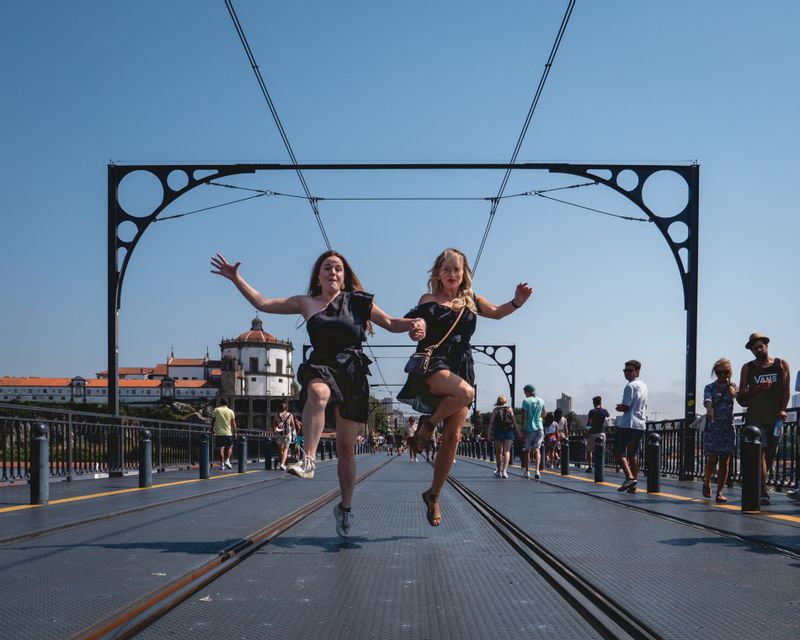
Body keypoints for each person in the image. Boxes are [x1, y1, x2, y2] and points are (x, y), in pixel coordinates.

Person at [211, 251, 425, 537]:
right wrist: (236, 278)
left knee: (346, 452)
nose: (333, 272)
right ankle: (308, 458)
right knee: (318, 393)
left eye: (338, 268)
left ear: (345, 275)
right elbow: (262, 302)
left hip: (353, 372)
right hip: (321, 364)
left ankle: (345, 508)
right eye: (327, 268)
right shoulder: (305, 303)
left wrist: (414, 325)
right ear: (318, 275)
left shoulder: (359, 302)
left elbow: (390, 323)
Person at [398, 247, 532, 525]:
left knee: (454, 438)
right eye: (446, 269)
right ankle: (429, 424)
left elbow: (497, 313)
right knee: (465, 393)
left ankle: (433, 495)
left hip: (463, 366)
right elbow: (417, 324)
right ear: (438, 273)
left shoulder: (470, 299)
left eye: (456, 269)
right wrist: (417, 329)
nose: (451, 274)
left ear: (463, 274)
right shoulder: (429, 299)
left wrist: (517, 301)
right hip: (435, 363)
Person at [736, 332, 790, 506]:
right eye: (754, 348)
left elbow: (786, 390)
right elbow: (741, 396)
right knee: (760, 455)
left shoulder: (781, 364)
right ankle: (763, 491)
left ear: (766, 346)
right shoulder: (748, 368)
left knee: (770, 456)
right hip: (755, 419)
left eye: (760, 346)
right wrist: (758, 388)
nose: (758, 350)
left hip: (775, 419)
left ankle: (760, 486)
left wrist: (783, 410)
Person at [702, 358, 737, 503]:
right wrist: (709, 409)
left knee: (725, 461)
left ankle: (720, 492)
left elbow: (740, 398)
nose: (722, 375)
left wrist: (734, 390)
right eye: (719, 372)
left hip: (728, 427)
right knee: (712, 459)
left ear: (730, 372)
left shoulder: (733, 386)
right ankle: (706, 482)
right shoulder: (709, 387)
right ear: (715, 373)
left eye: (725, 372)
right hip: (714, 427)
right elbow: (707, 400)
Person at [614, 359, 648, 493]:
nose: (626, 373)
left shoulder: (630, 386)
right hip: (640, 424)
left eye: (629, 370)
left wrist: (619, 407)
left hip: (628, 423)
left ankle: (629, 477)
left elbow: (626, 406)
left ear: (637, 371)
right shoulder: (644, 386)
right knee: (632, 454)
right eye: (625, 370)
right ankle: (633, 485)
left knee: (618, 452)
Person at [488, 395, 519, 478]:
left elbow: (491, 423)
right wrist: (519, 432)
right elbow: (514, 421)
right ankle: (504, 471)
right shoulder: (509, 409)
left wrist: (489, 434)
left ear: (498, 401)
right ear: (505, 401)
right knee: (507, 451)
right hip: (509, 431)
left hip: (498, 432)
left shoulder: (495, 410)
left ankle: (498, 470)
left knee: (499, 453)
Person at [520, 384, 544, 480]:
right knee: (537, 449)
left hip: (530, 428)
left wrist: (522, 429)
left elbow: (523, 417)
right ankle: (537, 470)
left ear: (528, 392)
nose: (524, 393)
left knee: (527, 450)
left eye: (525, 392)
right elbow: (544, 412)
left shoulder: (525, 401)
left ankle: (527, 471)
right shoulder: (541, 400)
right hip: (540, 427)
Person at [585, 396, 609, 473]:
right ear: (600, 402)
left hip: (593, 433)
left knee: (589, 450)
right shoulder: (604, 411)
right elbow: (608, 415)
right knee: (601, 449)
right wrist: (602, 407)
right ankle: (601, 466)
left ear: (594, 403)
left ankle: (590, 466)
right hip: (602, 433)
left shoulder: (592, 411)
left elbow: (588, 423)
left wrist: (586, 432)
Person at [212, 398, 237, 470]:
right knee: (230, 447)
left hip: (219, 433)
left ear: (220, 403)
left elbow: (213, 421)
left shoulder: (216, 410)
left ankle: (222, 465)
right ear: (227, 404)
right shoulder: (231, 411)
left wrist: (212, 429)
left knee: (221, 448)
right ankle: (227, 460)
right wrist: (235, 432)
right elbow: (233, 423)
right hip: (228, 433)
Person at [275, 403, 296, 471]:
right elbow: (293, 425)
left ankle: (281, 463)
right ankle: (283, 464)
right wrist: (291, 432)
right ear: (286, 408)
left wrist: (275, 431)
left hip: (279, 434)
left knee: (280, 449)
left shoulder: (277, 415)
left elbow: (273, 424)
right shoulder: (290, 415)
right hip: (287, 434)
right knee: (286, 449)